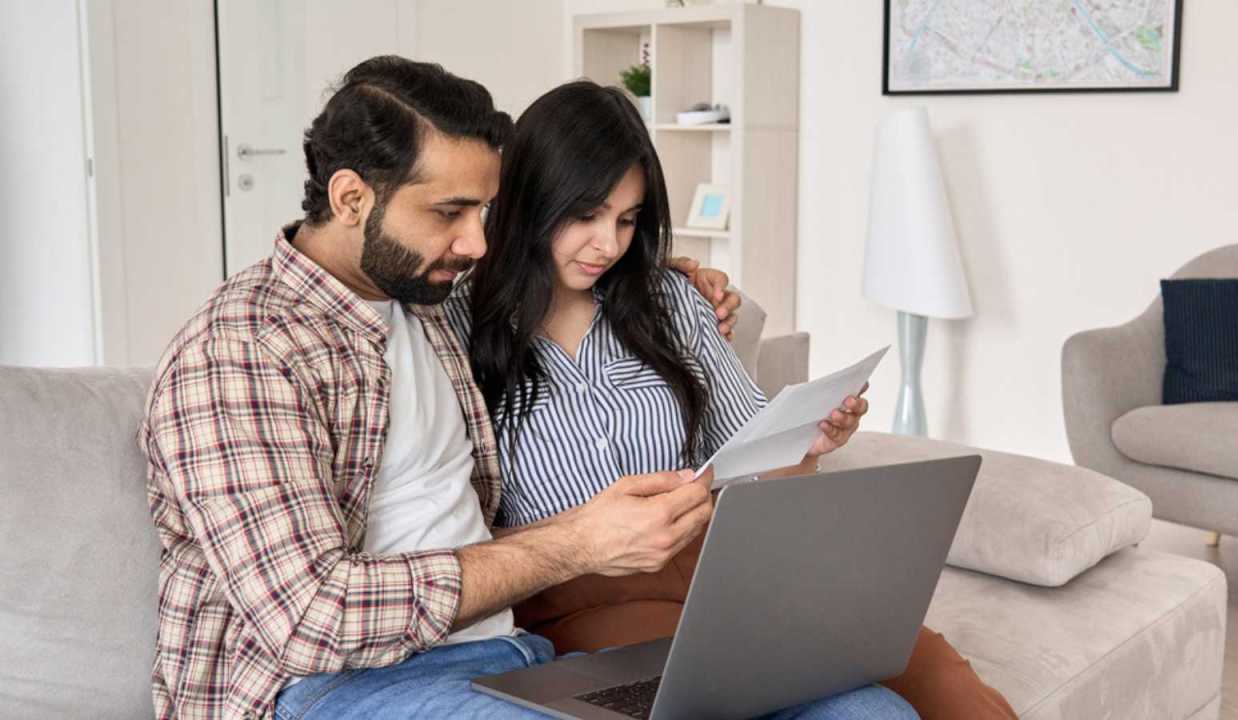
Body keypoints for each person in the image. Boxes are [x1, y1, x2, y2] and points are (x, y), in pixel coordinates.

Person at [138, 56, 917, 719]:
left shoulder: (429, 308)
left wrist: (668, 280)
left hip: (509, 655)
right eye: (451, 211)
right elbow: (312, 618)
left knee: (867, 709)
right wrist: (578, 542)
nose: (478, 241)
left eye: (485, 208)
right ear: (350, 199)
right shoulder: (239, 353)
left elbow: (561, 287)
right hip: (326, 688)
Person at [448, 80, 1017, 720]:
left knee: (940, 676)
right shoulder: (455, 327)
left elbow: (755, 456)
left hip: (725, 562)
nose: (608, 243)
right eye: (585, 215)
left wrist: (809, 437)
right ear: (529, 200)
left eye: (628, 219)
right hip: (584, 596)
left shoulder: (670, 301)